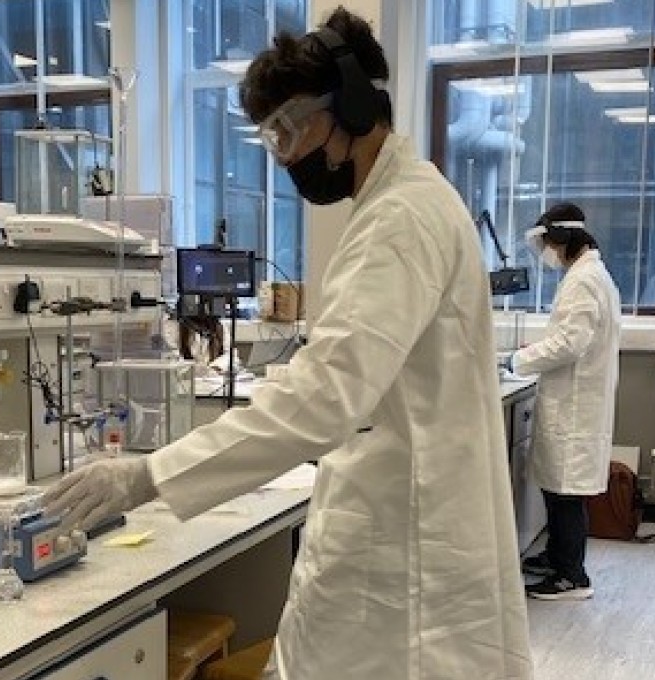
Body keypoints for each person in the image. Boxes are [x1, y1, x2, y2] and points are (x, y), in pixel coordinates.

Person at [44, 8, 533, 679]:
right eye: (272, 137)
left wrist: (147, 475)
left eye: (289, 129)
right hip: (410, 521)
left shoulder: (399, 217)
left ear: (353, 107)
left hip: (402, 559)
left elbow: (325, 396)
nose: (286, 154)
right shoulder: (410, 201)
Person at [511, 203, 621, 601]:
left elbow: (570, 344)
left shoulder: (584, 280)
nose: (547, 252)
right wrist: (537, 349)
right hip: (576, 398)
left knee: (566, 494)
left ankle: (571, 577)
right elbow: (573, 336)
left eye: (548, 244)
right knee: (560, 490)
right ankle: (558, 557)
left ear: (562, 240)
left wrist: (519, 359)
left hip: (575, 404)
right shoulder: (590, 274)